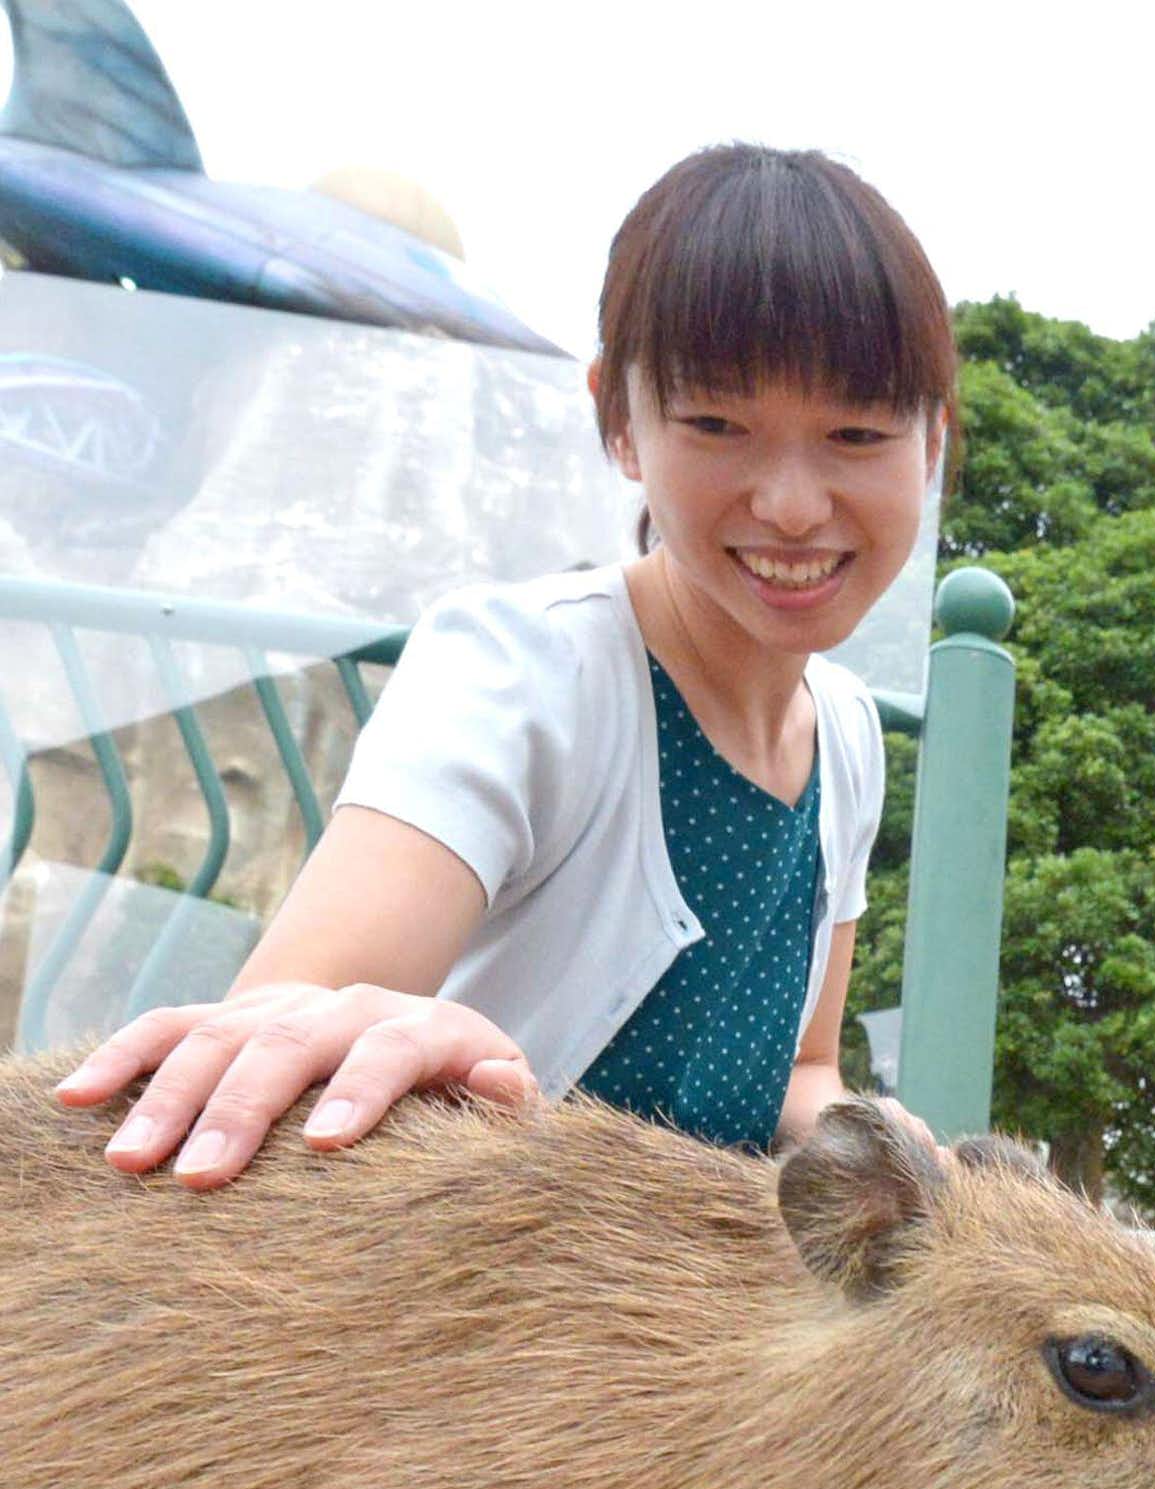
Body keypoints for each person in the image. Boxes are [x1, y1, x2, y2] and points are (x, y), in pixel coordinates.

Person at [53, 141, 950, 1175]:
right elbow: (285, 1018)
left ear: (929, 442)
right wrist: (443, 1058)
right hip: (467, 1306)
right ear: (619, 420)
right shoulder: (519, 676)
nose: (792, 505)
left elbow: (800, 1067)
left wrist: (866, 1140)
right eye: (716, 424)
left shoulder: (844, 736)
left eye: (855, 434)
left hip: (682, 1320)